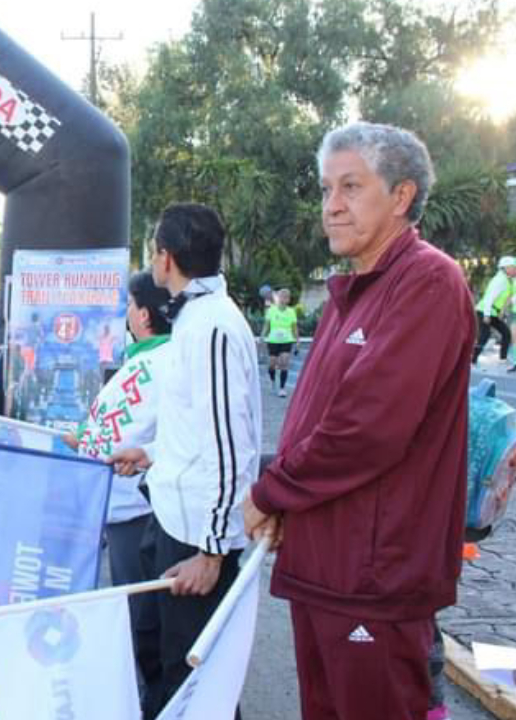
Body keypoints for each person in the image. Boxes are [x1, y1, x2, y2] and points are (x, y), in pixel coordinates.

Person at [243, 122, 473, 720]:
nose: (332, 206)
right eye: (325, 189)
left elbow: (367, 427)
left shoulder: (427, 279)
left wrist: (272, 492)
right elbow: (318, 420)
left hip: (376, 575)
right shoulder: (356, 291)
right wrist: (286, 499)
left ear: (401, 197)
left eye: (351, 186)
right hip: (326, 566)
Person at [110, 203, 261, 719]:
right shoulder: (194, 318)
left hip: (197, 536)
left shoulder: (213, 326)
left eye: (155, 250)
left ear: (165, 258)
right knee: (159, 655)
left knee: (193, 681)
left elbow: (228, 444)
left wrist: (212, 551)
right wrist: (149, 454)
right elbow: (195, 426)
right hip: (169, 517)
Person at [67, 271, 173, 685]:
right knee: (129, 610)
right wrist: (83, 439)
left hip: (137, 509)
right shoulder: (142, 356)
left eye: (129, 304)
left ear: (144, 313)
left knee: (142, 616)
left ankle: (152, 697)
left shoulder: (169, 361)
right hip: (112, 503)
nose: (126, 313)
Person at [473, 256, 516, 365]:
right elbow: (489, 297)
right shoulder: (500, 280)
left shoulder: (508, 280)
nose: (515, 269)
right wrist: (486, 315)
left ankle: (502, 358)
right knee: (485, 335)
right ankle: (473, 359)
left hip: (493, 312)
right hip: (484, 311)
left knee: (506, 333)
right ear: (505, 268)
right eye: (513, 267)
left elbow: (507, 297)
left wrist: (501, 311)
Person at [263, 288, 300, 398]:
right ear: (278, 298)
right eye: (281, 296)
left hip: (286, 340)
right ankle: (273, 380)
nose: (283, 299)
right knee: (272, 364)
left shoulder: (291, 312)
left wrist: (297, 340)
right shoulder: (271, 311)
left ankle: (282, 388)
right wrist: (261, 337)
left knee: (284, 363)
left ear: (288, 300)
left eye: (285, 297)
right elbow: (266, 325)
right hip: (273, 340)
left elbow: (294, 328)